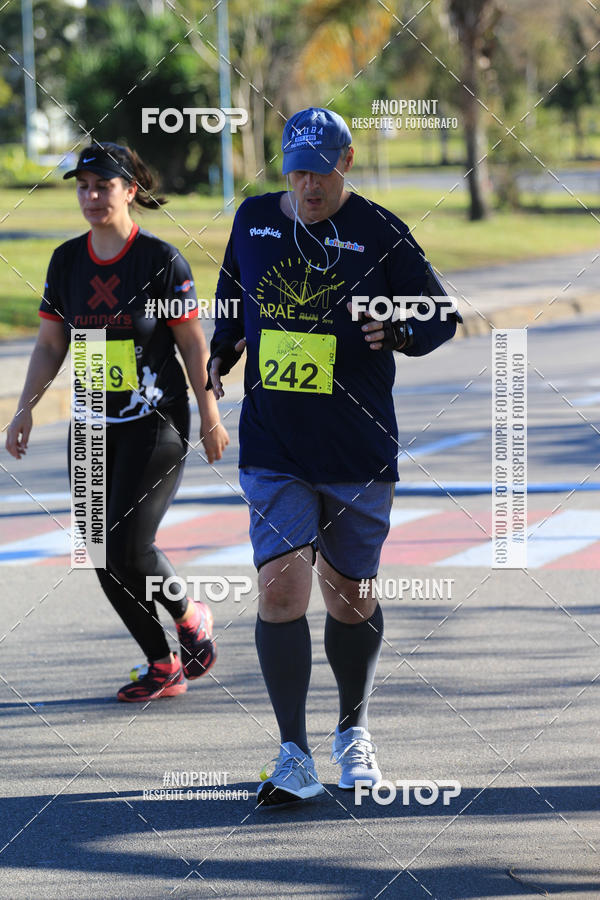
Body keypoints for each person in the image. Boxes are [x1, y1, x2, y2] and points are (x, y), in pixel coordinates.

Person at [207, 107, 461, 806]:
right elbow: (233, 301)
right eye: (297, 168)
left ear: (345, 160)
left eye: (320, 169)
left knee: (350, 600)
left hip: (356, 445)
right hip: (274, 441)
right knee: (282, 586)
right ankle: (293, 752)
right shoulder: (256, 219)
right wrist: (224, 351)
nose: (307, 183)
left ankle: (353, 730)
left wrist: (400, 329)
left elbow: (442, 314)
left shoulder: (380, 230)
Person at [5, 141, 229, 702]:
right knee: (98, 548)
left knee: (129, 543)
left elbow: (192, 343)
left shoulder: (160, 261)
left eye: (103, 186)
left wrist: (209, 413)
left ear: (130, 189)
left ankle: (187, 612)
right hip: (90, 422)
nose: (91, 196)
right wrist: (24, 408)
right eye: (83, 186)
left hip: (155, 420)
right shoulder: (66, 261)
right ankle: (162, 665)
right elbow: (52, 342)